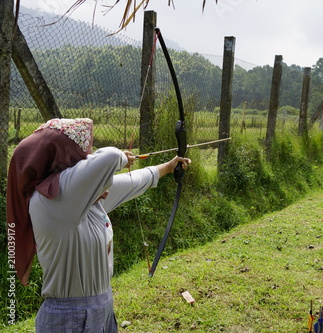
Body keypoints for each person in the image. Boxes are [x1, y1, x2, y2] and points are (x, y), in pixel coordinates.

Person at [6, 118, 190, 332]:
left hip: (101, 310)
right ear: (64, 158)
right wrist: (121, 158)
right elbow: (109, 158)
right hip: (69, 320)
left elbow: (133, 181)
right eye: (82, 153)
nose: (87, 157)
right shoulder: (51, 201)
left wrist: (168, 167)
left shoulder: (86, 199)